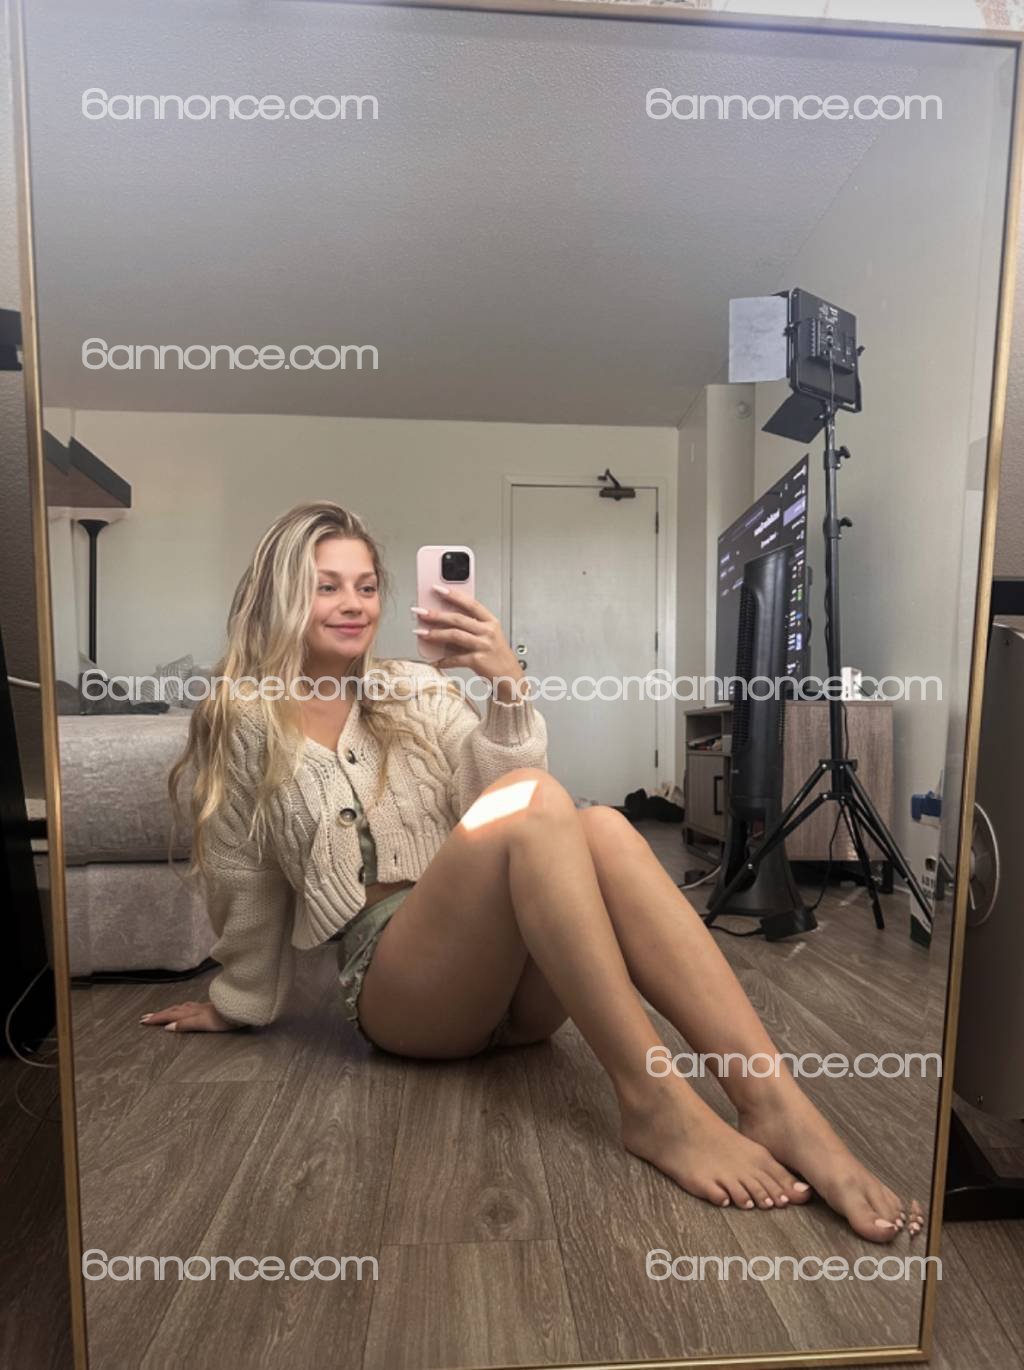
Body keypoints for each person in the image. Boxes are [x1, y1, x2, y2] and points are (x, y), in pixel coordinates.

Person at [148, 500, 923, 1243]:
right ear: (282, 595)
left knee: (602, 826)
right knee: (544, 802)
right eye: (326, 586)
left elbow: (503, 807)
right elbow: (242, 873)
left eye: (367, 585)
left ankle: (775, 1103)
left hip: (519, 990)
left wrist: (508, 689)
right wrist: (238, 1001)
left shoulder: (414, 687)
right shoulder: (244, 716)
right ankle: (655, 1104)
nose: (354, 604)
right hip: (404, 995)